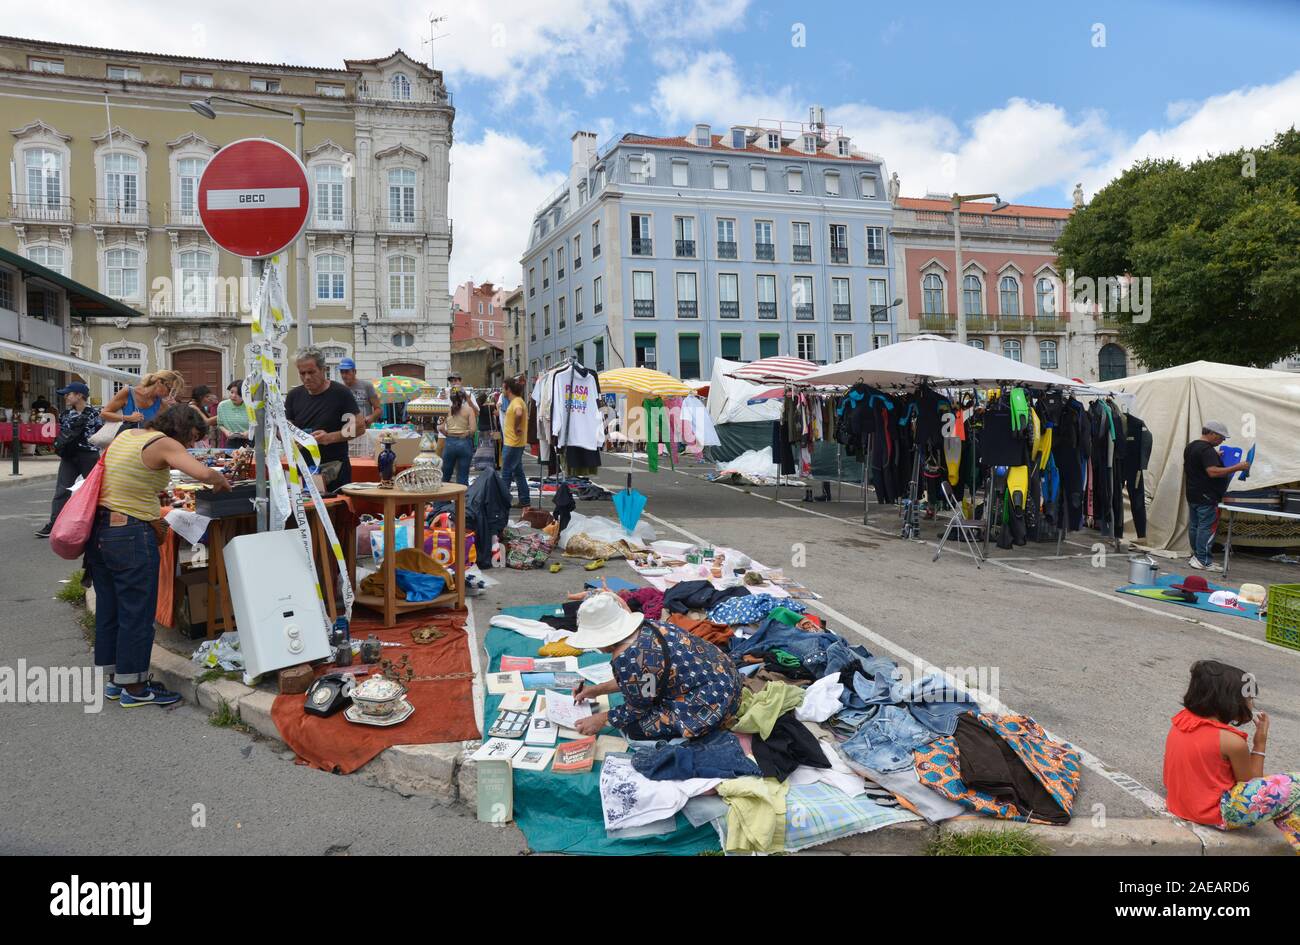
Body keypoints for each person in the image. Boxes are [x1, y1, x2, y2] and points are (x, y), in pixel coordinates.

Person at [88, 405, 231, 707]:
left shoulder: (129, 435)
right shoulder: (165, 442)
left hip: (101, 531)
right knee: (137, 612)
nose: (192, 445)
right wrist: (220, 482)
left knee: (111, 608)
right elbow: (202, 472)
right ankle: (137, 689)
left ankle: (117, 681)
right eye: (192, 437)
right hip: (129, 534)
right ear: (181, 427)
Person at [1163, 660, 1299, 853]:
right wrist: (1260, 743)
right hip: (1216, 813)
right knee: (1296, 785)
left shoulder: (1182, 720)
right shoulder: (1232, 741)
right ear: (1228, 701)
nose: (1252, 704)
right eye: (1249, 699)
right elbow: (1252, 784)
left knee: (1283, 789)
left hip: (1181, 804)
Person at [568, 592, 742, 741]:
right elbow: (643, 683)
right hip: (727, 679)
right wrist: (595, 690)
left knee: (634, 730)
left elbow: (640, 706)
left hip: (715, 703)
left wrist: (602, 719)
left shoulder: (629, 658)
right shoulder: (649, 627)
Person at [285, 346, 363, 491]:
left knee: (336, 512)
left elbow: (358, 427)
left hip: (334, 469)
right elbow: (285, 426)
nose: (307, 377)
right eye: (302, 373)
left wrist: (329, 437)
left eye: (311, 372)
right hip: (304, 468)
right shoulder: (293, 396)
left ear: (323, 370)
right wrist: (292, 437)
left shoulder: (340, 393)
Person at [35, 382, 104, 538]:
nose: (66, 397)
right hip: (69, 456)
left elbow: (99, 435)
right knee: (61, 491)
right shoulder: (65, 414)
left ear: (79, 395)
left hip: (89, 456)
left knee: (95, 490)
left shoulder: (95, 414)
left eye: (69, 394)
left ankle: (101, 522)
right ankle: (54, 524)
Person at [1183, 421, 1250, 570]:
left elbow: (1198, 464)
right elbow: (1212, 472)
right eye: (1221, 437)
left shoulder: (1192, 446)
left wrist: (1215, 455)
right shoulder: (1207, 451)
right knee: (1206, 528)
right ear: (1212, 433)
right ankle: (1204, 560)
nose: (1223, 441)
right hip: (1207, 495)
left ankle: (1197, 557)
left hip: (1193, 493)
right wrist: (1237, 467)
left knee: (1195, 526)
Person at [100, 370, 184, 427]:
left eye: (173, 392)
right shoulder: (128, 392)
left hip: (146, 447)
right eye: (169, 389)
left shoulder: (162, 404)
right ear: (159, 382)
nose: (170, 394)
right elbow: (104, 414)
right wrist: (127, 418)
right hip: (126, 445)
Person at [438, 372, 479, 485]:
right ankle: (463, 501)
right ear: (463, 397)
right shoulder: (468, 409)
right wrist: (466, 433)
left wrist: (448, 434)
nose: (454, 383)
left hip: (450, 441)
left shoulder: (446, 409)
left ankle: (441, 502)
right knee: (463, 476)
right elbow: (473, 429)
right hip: (464, 442)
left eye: (456, 380)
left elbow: (440, 427)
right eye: (452, 381)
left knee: (445, 475)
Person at [498, 376, 531, 508]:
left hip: (512, 444)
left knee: (506, 473)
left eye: (503, 388)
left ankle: (503, 501)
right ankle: (524, 499)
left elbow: (518, 413)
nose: (502, 391)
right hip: (516, 443)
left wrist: (517, 427)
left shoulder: (516, 402)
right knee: (518, 472)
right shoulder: (519, 400)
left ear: (508, 389)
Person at [339, 358, 382, 427]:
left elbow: (378, 409)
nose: (344, 375)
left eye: (347, 372)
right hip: (347, 432)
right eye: (342, 372)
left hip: (365, 430)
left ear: (354, 372)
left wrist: (371, 418)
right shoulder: (340, 390)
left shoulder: (367, 386)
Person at [216, 380, 252, 449]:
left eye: (238, 394)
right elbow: (220, 424)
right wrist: (226, 432)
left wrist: (249, 432)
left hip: (250, 440)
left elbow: (259, 424)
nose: (233, 396)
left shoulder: (250, 406)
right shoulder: (222, 406)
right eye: (232, 392)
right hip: (231, 441)